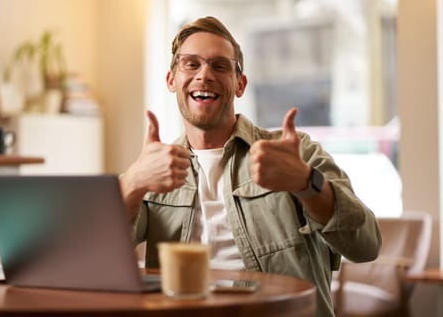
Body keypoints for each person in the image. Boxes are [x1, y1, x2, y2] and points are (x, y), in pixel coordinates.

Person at [120, 16, 381, 317]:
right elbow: (93, 260)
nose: (204, 75)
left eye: (220, 66)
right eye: (191, 64)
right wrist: (132, 183)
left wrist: (305, 183)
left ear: (240, 84)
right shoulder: (153, 167)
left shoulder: (296, 153)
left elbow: (366, 245)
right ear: (171, 80)